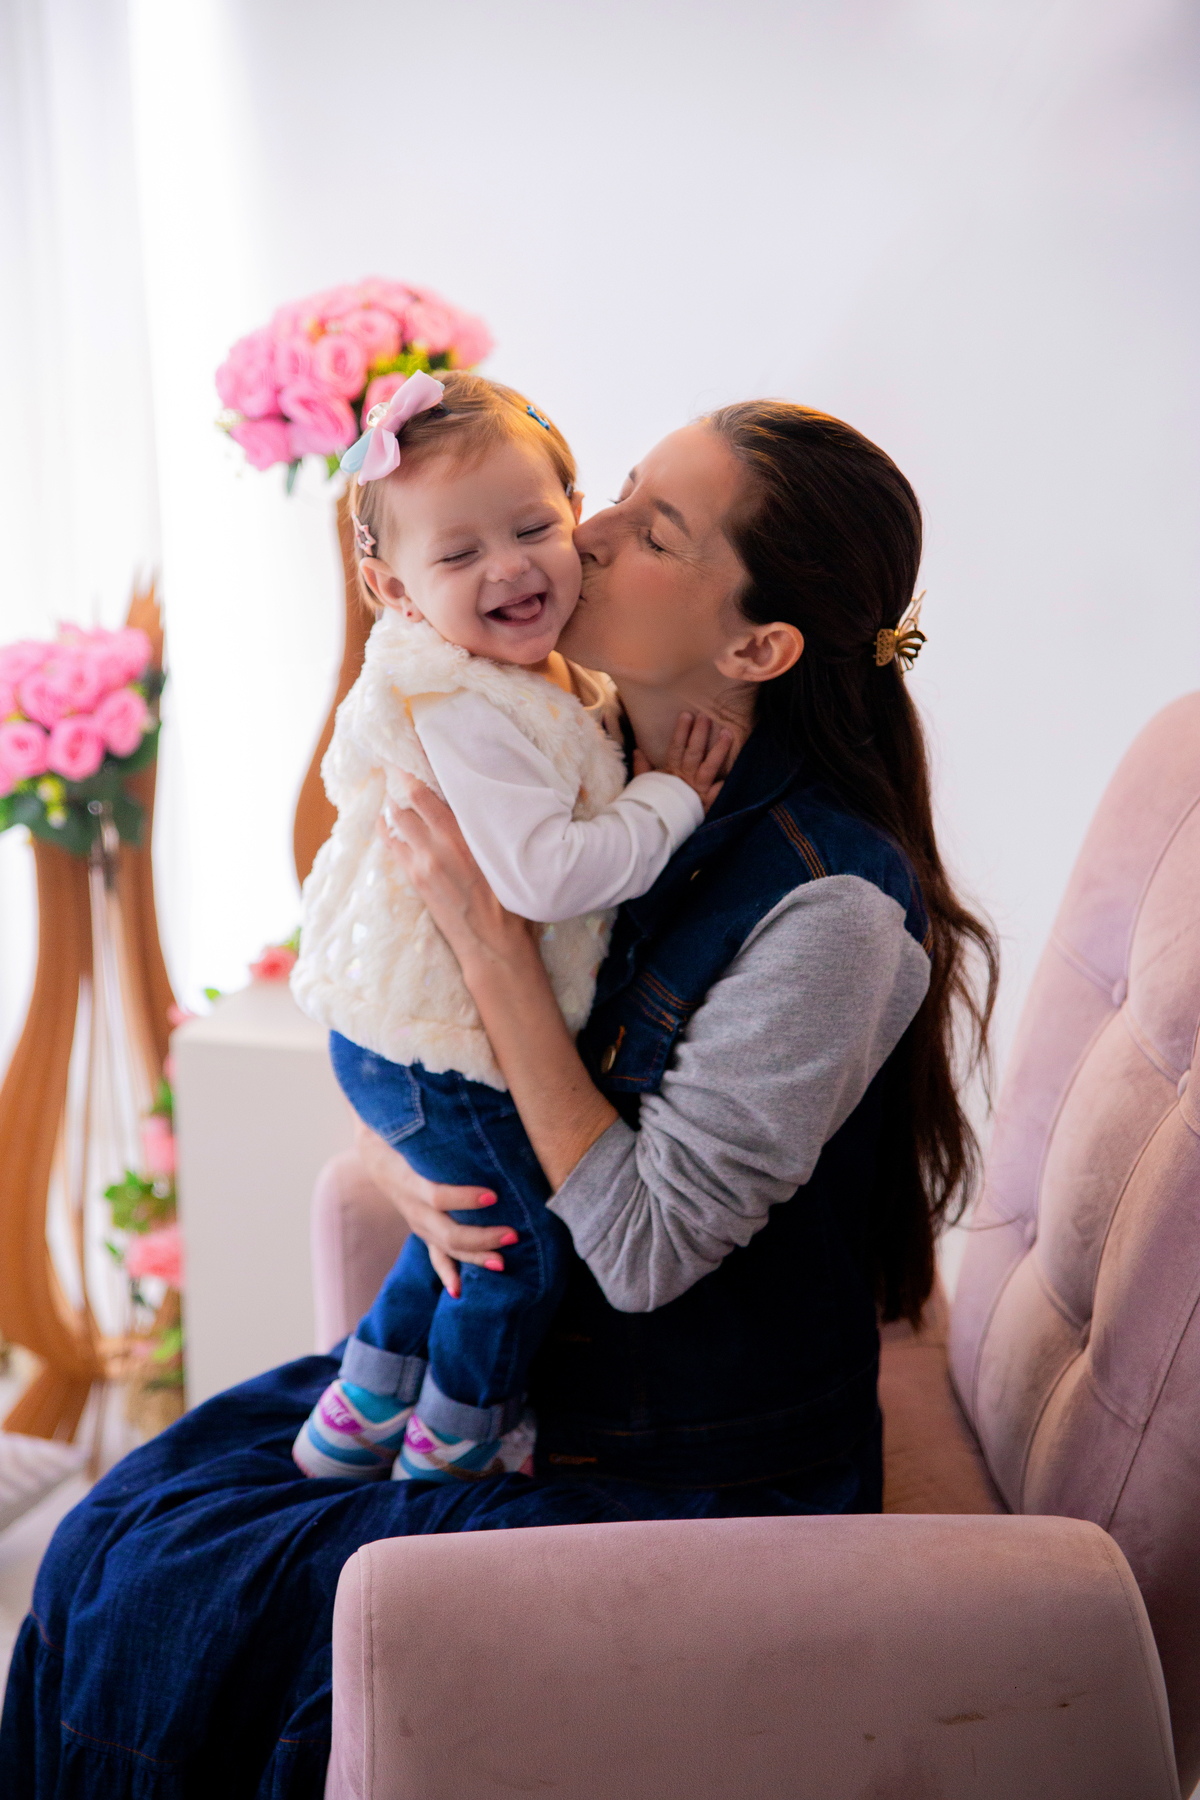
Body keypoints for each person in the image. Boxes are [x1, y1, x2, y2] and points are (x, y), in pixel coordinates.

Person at [0, 402, 998, 1798]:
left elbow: (644, 1249)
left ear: (757, 648)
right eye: (618, 487)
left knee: (183, 1600)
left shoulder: (830, 912)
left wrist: (491, 946)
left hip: (678, 1458)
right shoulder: (558, 743)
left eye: (651, 530)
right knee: (123, 1524)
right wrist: (404, 1158)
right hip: (555, 1372)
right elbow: (421, 1032)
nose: (581, 533)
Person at [290, 367, 725, 1484]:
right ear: (391, 590)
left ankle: (363, 1405)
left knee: (474, 1217)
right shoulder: (460, 704)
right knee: (521, 1254)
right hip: (432, 1047)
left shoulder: (528, 678)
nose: (510, 566)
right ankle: (459, 1441)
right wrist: (672, 794)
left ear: (572, 512)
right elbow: (543, 875)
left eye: (534, 525)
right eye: (460, 553)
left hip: (428, 1038)